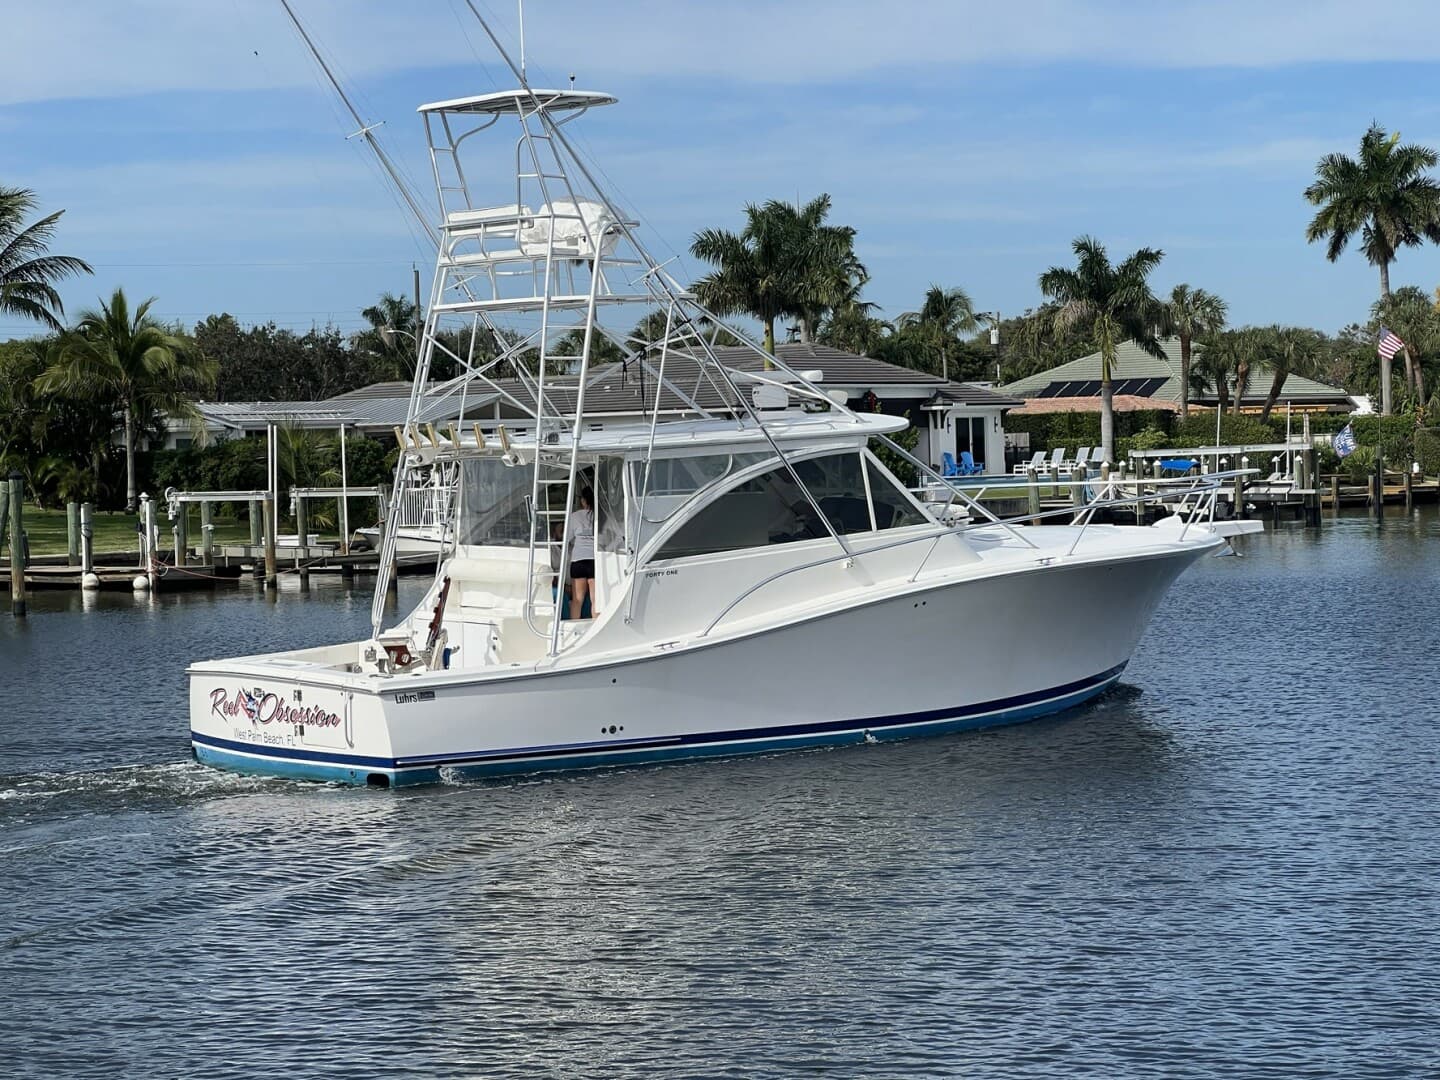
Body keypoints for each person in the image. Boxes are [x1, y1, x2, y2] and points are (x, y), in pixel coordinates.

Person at [568, 486, 597, 619]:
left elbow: (567, 538)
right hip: (595, 560)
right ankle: (596, 629)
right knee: (595, 600)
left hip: (578, 560)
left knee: (577, 600)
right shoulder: (600, 515)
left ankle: (574, 630)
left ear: (583, 500)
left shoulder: (575, 516)